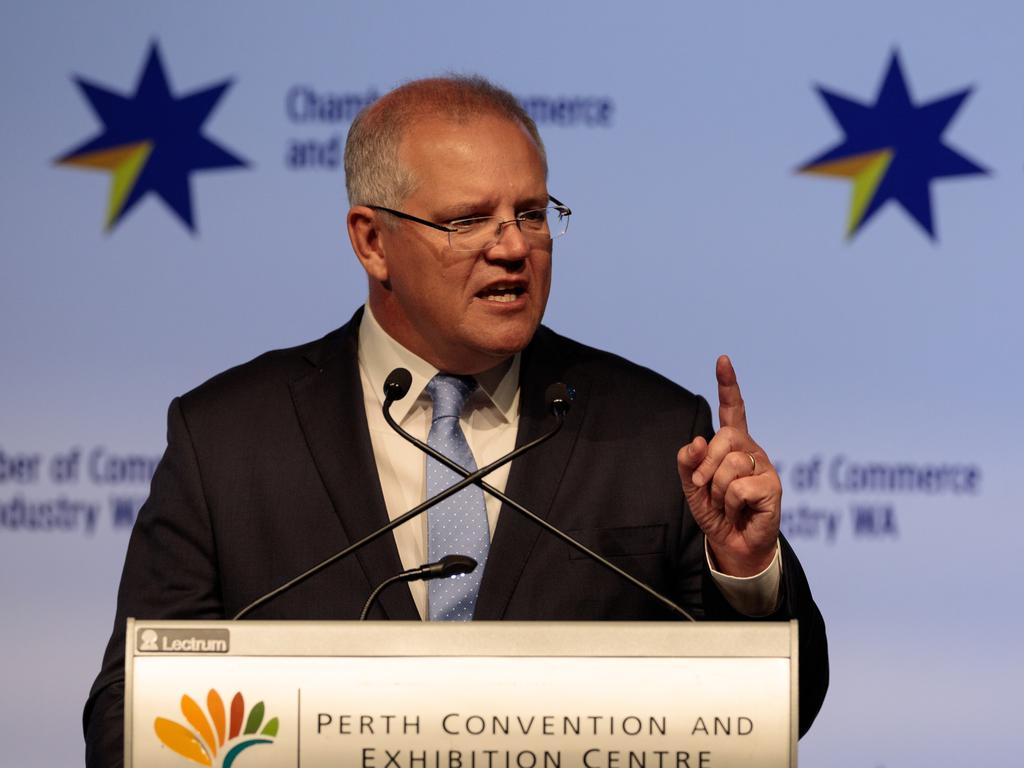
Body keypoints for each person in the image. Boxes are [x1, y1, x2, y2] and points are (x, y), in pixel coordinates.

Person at [84, 75, 828, 766]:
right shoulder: (229, 439)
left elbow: (777, 713)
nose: (512, 248)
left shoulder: (653, 431)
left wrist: (744, 573)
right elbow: (127, 717)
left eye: (531, 215)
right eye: (468, 219)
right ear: (372, 240)